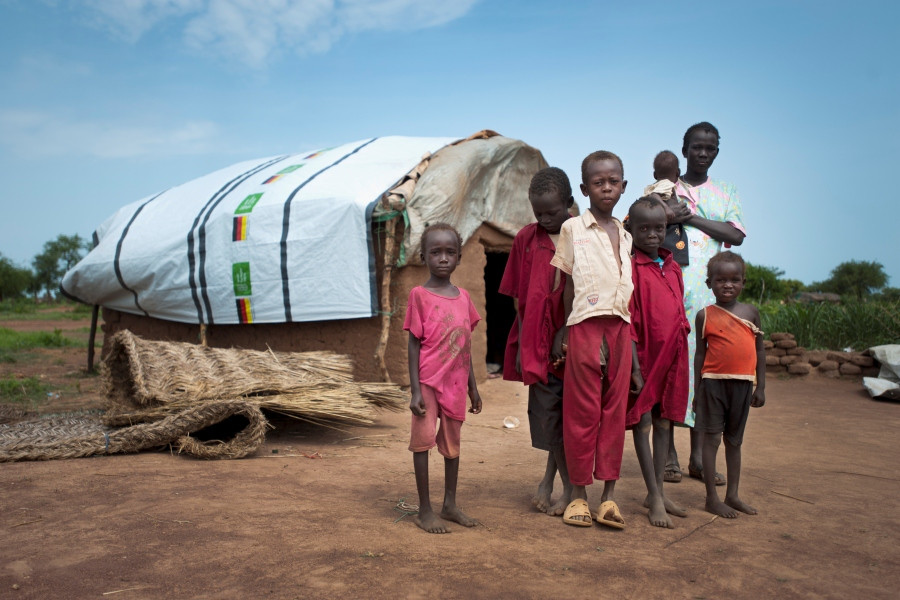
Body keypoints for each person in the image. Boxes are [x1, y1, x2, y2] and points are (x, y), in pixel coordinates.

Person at [550, 151, 643, 529]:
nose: (607, 188)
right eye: (598, 182)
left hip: (620, 327)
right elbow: (567, 286)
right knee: (581, 412)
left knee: (613, 413)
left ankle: (608, 498)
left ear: (624, 186)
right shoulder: (572, 228)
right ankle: (577, 495)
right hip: (584, 326)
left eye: (613, 181)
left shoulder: (627, 235)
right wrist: (564, 330)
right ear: (585, 188)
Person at [666, 122, 747, 487]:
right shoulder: (667, 188)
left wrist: (692, 218)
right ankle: (668, 455)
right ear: (684, 149)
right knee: (668, 369)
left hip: (705, 300)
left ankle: (698, 458)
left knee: (704, 374)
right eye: (696, 146)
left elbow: (735, 234)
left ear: (716, 152)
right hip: (668, 291)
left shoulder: (725, 191)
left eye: (710, 148)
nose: (702, 153)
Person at [499, 166, 574, 516]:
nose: (544, 219)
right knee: (547, 416)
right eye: (537, 212)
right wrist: (521, 343)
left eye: (551, 212)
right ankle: (562, 484)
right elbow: (519, 298)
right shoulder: (526, 240)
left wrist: (567, 333)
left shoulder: (582, 237)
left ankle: (559, 484)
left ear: (569, 203)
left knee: (567, 415)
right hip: (537, 343)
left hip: (574, 340)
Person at [404, 223, 483, 534]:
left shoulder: (464, 297)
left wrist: (473, 388)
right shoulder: (419, 295)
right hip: (427, 383)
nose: (443, 258)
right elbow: (413, 344)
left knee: (452, 445)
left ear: (459, 257)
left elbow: (465, 345)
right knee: (422, 443)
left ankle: (449, 504)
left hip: (456, 385)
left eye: (450, 252)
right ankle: (424, 510)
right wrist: (415, 391)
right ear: (424, 256)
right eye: (435, 252)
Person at [624, 196, 691, 528]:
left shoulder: (673, 266)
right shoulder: (631, 269)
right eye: (644, 229)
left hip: (673, 359)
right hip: (645, 358)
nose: (652, 235)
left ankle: (658, 494)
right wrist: (635, 368)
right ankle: (652, 494)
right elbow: (630, 320)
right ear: (632, 230)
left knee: (666, 423)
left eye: (659, 228)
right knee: (644, 422)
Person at [694, 251, 765, 517]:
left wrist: (761, 386)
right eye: (721, 280)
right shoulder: (704, 315)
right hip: (712, 385)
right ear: (709, 283)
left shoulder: (751, 313)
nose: (728, 285)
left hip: (743, 385)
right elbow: (700, 355)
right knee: (711, 439)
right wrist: (697, 390)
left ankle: (732, 495)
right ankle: (711, 498)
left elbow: (760, 350)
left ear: (743, 283)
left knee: (734, 441)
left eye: (734, 280)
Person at [643, 150, 689, 267]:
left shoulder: (661, 185)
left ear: (655, 174)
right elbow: (654, 195)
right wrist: (666, 209)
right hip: (667, 223)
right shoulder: (665, 184)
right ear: (678, 173)